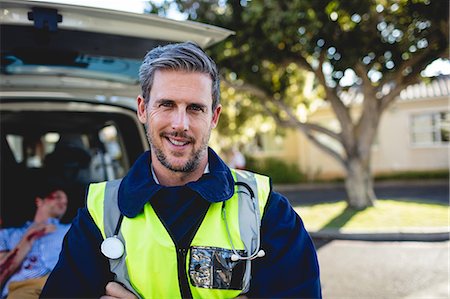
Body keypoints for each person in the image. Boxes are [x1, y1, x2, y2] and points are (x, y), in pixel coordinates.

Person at [41, 42, 321, 298]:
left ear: (214, 116)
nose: (180, 124)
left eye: (195, 108)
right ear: (142, 109)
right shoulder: (100, 213)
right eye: (167, 105)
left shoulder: (264, 209)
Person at [0, 179, 70, 299]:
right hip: (23, 286)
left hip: (64, 282)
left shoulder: (71, 229)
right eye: (57, 197)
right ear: (39, 201)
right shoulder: (8, 235)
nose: (63, 202)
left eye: (66, 202)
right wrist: (29, 237)